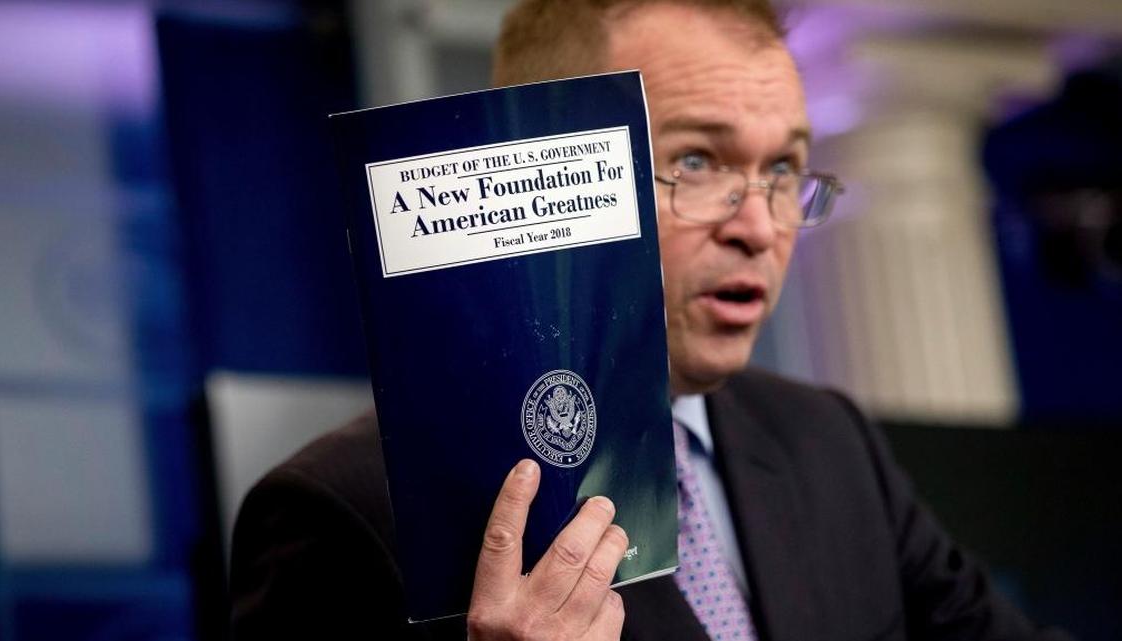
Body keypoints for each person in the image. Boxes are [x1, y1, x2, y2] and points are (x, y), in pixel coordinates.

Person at [230, 1, 1073, 639]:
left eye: (782, 167)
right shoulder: (338, 510)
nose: (760, 224)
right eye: (697, 161)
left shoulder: (827, 439)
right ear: (542, 165)